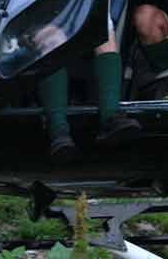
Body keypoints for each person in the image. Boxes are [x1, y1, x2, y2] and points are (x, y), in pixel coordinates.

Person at [35, 24, 141, 163]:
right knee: (51, 36)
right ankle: (58, 131)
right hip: (31, 18)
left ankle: (110, 118)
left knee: (104, 34)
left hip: (74, 12)